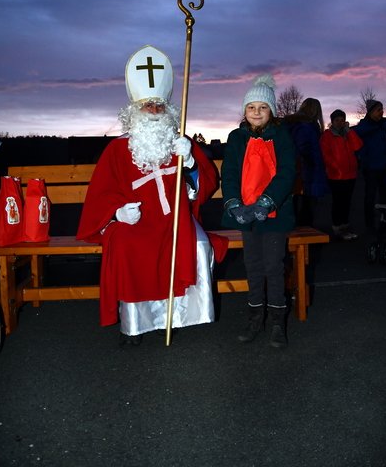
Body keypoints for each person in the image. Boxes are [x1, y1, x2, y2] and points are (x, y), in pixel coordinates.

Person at [77, 45, 227, 346]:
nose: (155, 111)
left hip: (175, 218)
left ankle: (183, 317)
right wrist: (118, 213)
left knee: (197, 244)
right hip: (137, 221)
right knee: (127, 246)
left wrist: (193, 163)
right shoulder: (118, 149)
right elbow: (101, 193)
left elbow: (207, 183)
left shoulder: (179, 142)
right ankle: (134, 325)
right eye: (148, 106)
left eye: (160, 105)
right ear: (134, 110)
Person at [221, 75, 296, 349]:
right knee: (252, 265)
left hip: (273, 214)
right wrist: (232, 203)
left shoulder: (282, 137)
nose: (256, 111)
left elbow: (287, 173)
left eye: (262, 107)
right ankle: (255, 317)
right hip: (245, 212)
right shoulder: (236, 137)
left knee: (273, 266)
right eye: (251, 107)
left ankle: (278, 320)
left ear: (272, 111)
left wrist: (268, 202)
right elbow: (228, 173)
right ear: (244, 111)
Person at [284, 97, 328, 226]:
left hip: (296, 170)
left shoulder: (293, 124)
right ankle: (304, 238)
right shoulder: (306, 126)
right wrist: (314, 165)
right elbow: (304, 149)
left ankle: (294, 236)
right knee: (307, 207)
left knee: (295, 204)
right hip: (306, 172)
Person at [320, 109, 363, 240]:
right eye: (337, 120)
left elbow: (358, 146)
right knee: (339, 202)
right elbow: (326, 156)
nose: (340, 122)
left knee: (347, 202)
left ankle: (345, 227)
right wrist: (336, 168)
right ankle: (337, 228)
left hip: (350, 174)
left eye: (342, 120)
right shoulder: (327, 136)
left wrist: (349, 131)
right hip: (336, 176)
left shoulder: (348, 134)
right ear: (332, 121)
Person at [354, 99, 386, 233]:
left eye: (382, 110)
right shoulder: (364, 126)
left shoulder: (385, 125)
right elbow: (358, 137)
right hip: (371, 167)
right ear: (371, 112)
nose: (381, 112)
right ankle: (369, 224)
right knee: (370, 196)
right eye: (378, 110)